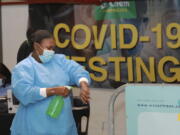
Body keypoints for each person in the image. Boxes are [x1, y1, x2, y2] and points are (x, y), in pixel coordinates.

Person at [11, 30, 91, 135]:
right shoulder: (24, 67)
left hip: (62, 126)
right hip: (33, 127)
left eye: (53, 48)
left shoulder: (59, 61)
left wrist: (83, 84)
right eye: (48, 48)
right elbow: (24, 93)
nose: (52, 51)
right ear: (36, 46)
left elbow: (77, 70)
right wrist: (53, 91)